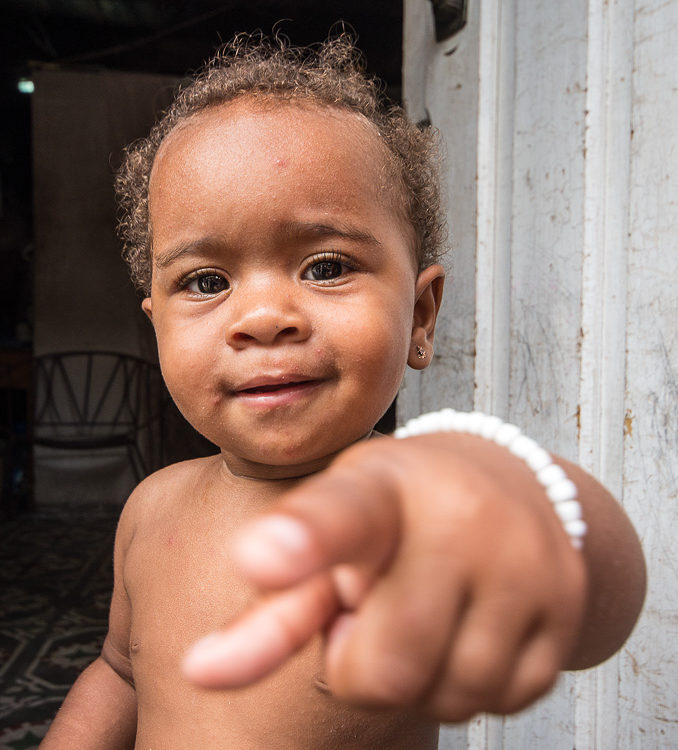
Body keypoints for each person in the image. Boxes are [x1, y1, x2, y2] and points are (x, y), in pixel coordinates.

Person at [39, 34, 645, 750]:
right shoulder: (150, 509)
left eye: (326, 267)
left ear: (420, 315)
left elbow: (591, 620)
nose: (263, 318)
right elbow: (120, 673)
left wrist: (530, 503)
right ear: (157, 325)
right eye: (207, 282)